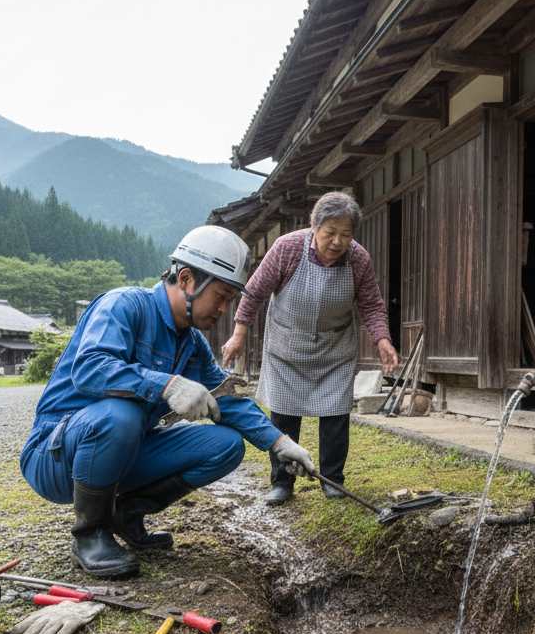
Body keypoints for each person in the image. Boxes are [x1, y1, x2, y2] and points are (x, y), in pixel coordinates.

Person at [18, 225, 317, 579]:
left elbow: (226, 400)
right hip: (55, 457)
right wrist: (168, 385)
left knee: (226, 445)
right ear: (187, 279)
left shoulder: (192, 343)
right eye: (221, 296)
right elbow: (89, 368)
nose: (224, 309)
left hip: (124, 451)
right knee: (121, 414)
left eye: (231, 300)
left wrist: (281, 444)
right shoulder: (124, 305)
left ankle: (125, 514)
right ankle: (89, 534)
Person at [222, 191, 399, 506]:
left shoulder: (358, 259)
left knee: (335, 416)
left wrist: (382, 340)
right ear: (314, 227)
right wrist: (239, 334)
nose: (337, 242)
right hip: (286, 348)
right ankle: (282, 482)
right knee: (284, 418)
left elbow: (371, 304)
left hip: (334, 350)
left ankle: (332, 480)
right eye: (330, 232)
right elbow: (254, 292)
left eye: (346, 234)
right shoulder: (287, 248)